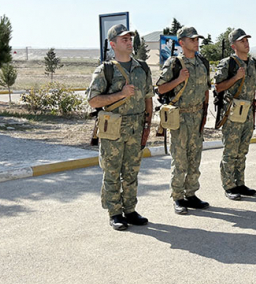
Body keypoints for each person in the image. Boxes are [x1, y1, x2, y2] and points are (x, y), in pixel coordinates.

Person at [87, 24, 153, 231]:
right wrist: (120, 95)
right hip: (113, 127)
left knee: (132, 171)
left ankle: (130, 210)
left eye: (130, 38)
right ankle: (115, 212)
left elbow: (148, 97)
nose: (129, 41)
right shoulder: (105, 70)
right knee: (112, 171)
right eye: (124, 39)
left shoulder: (142, 68)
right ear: (113, 44)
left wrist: (147, 124)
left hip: (136, 126)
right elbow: (93, 101)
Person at [156, 26, 211, 215]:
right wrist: (179, 79)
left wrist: (204, 113)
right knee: (180, 159)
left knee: (195, 157)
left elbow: (206, 90)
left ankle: (191, 194)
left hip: (197, 116)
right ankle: (178, 196)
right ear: (182, 42)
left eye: (197, 39)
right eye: (192, 39)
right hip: (179, 117)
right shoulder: (174, 63)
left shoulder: (202, 62)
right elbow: (161, 89)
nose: (196, 42)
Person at [214, 28, 256, 200]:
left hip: (248, 112)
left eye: (247, 40)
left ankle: (240, 183)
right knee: (231, 151)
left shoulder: (253, 63)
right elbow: (218, 87)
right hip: (232, 113)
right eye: (242, 41)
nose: (246, 43)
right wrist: (235, 78)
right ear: (233, 45)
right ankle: (229, 185)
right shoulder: (228, 63)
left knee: (242, 150)